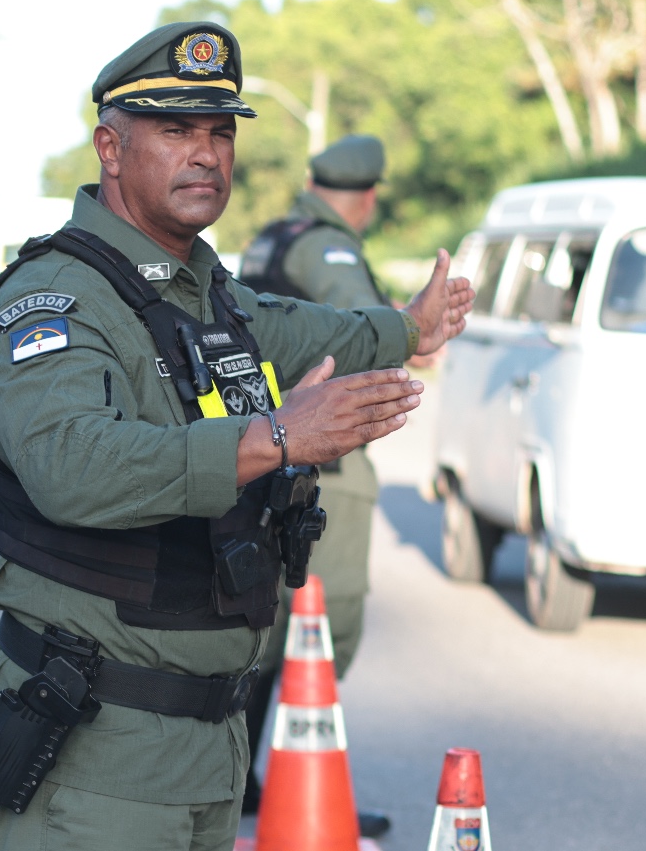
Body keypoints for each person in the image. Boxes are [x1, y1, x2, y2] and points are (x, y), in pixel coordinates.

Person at [0, 21, 474, 851]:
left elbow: (304, 330)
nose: (205, 154)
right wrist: (276, 435)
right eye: (175, 130)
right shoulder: (55, 297)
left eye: (219, 132)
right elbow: (70, 465)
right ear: (111, 149)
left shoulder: (207, 295)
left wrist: (409, 327)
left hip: (209, 738)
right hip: (97, 738)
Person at [235, 134, 397, 835]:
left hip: (261, 448)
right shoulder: (329, 248)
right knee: (323, 626)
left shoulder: (271, 237)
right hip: (319, 464)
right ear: (368, 198)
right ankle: (301, 790)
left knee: (264, 623)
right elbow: (362, 334)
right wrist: (411, 332)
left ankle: (241, 780)